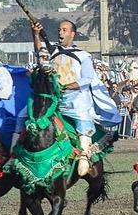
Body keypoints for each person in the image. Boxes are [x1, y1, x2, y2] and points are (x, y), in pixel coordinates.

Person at [39, 19, 121, 175]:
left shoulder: (83, 56)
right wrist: (36, 32)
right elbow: (39, 49)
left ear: (72, 34)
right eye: (59, 30)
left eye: (64, 30)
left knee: (83, 126)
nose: (60, 32)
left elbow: (87, 79)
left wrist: (68, 85)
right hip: (55, 102)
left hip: (77, 103)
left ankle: (85, 156)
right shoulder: (53, 52)